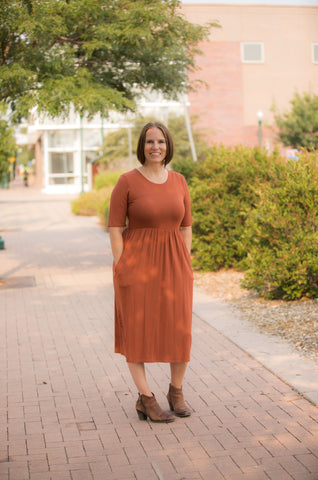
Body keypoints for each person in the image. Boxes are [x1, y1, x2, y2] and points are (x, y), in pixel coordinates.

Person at [108, 121, 193, 423]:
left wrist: (186, 262)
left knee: (179, 329)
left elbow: (186, 227)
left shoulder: (180, 181)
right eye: (149, 142)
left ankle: (176, 391)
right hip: (137, 266)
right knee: (137, 332)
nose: (155, 147)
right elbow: (116, 228)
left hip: (175, 266)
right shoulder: (127, 182)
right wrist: (121, 266)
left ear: (168, 145)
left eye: (160, 142)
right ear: (141, 146)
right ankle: (146, 398)